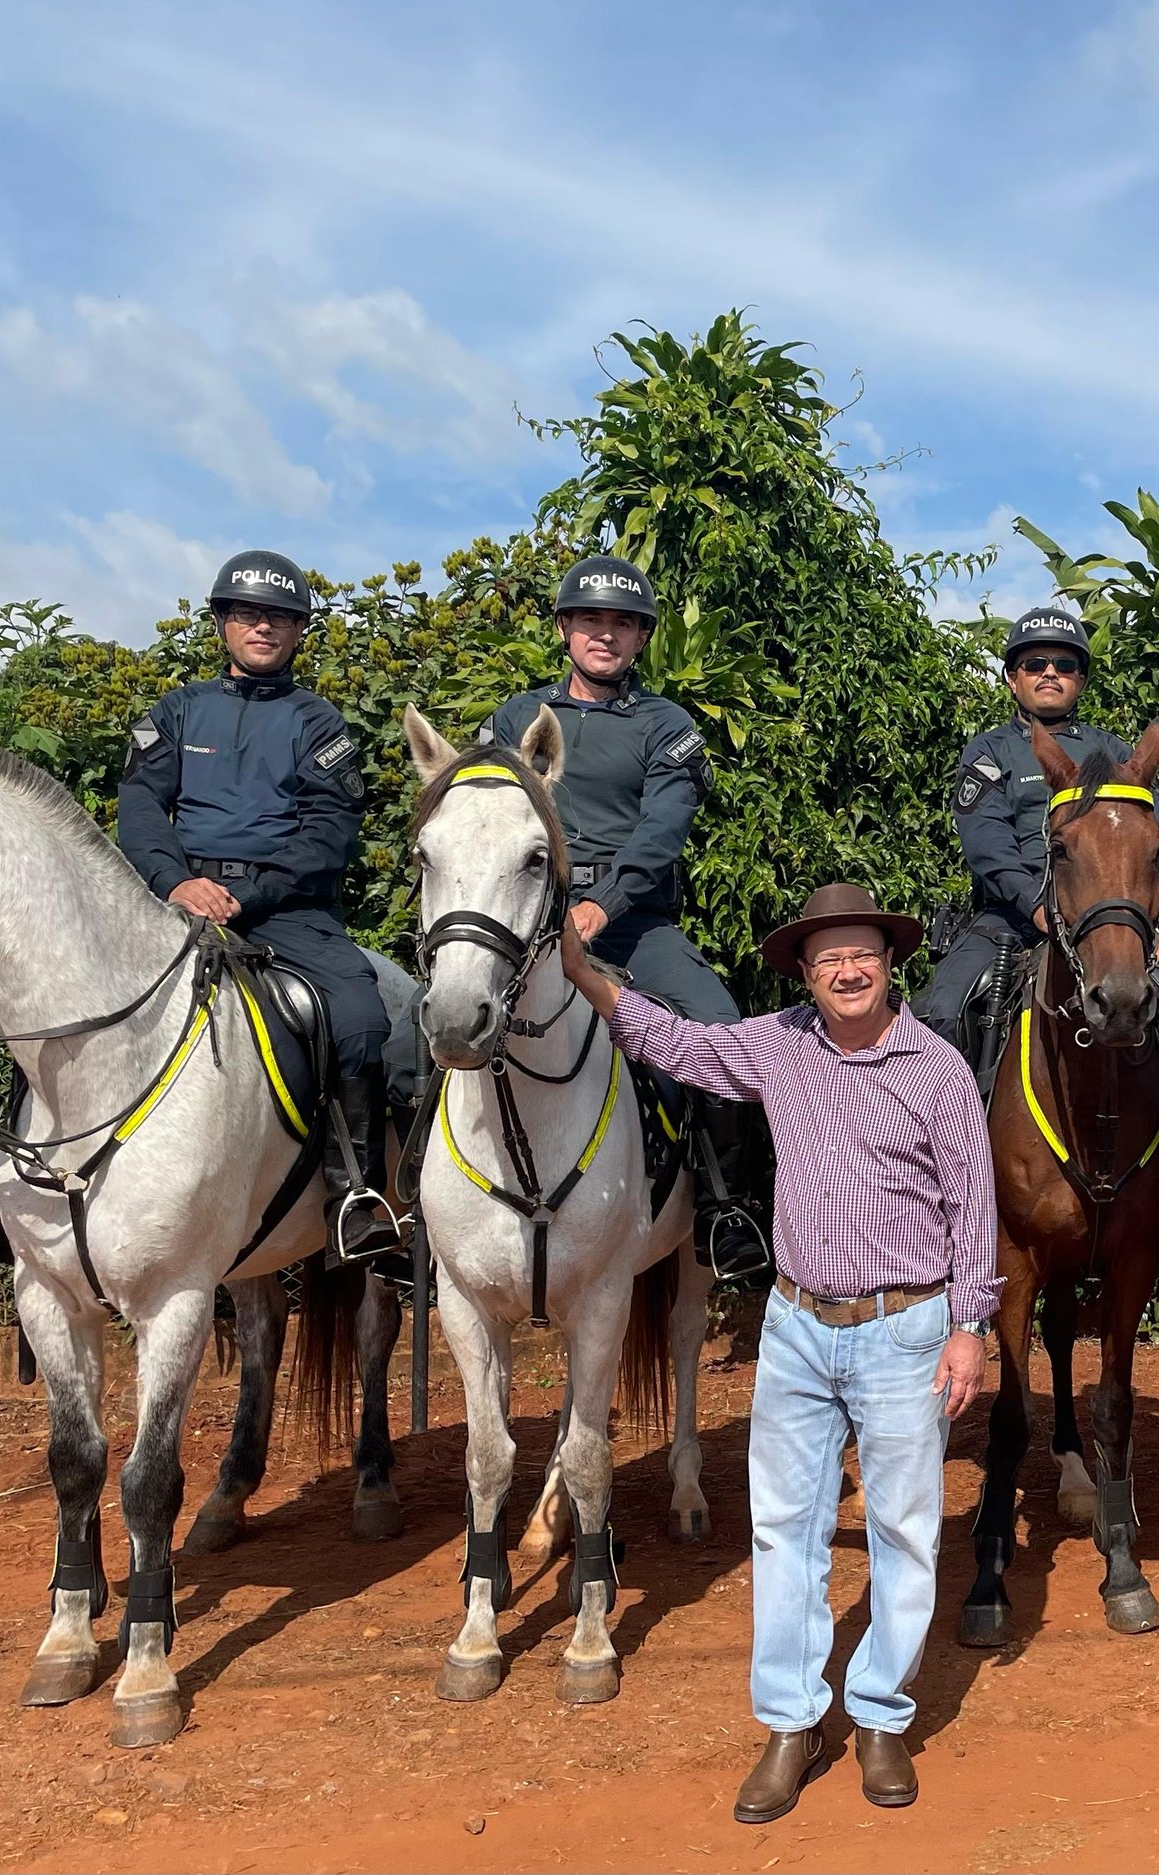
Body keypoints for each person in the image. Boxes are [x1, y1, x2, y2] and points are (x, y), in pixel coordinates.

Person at [559, 882, 999, 1824]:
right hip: (796, 1326)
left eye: (864, 952)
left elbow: (974, 1202)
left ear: (891, 963)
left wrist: (972, 1326)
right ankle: (792, 1721)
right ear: (804, 971)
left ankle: (878, 1713)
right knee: (784, 1529)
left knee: (905, 1530)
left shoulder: (938, 1068)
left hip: (906, 1327)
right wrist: (580, 974)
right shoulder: (778, 1044)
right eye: (828, 956)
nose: (848, 969)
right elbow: (676, 1042)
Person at [483, 552, 767, 1279]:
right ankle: (419, 1195)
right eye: (590, 620)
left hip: (634, 922)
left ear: (641, 637)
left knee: (721, 1029)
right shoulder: (516, 718)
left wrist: (599, 907)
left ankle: (725, 1208)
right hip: (523, 914)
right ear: (564, 629)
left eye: (622, 623)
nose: (604, 634)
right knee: (451, 1009)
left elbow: (660, 833)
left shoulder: (665, 724)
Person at [110, 549, 399, 1256]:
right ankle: (6, 1186)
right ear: (222, 623)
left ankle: (355, 1195)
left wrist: (243, 896)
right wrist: (175, 883)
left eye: (279, 616)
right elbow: (141, 805)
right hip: (179, 899)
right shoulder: (177, 711)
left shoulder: (320, 723)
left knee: (361, 1017)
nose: (262, 626)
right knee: (67, 985)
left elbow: (327, 835)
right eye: (246, 612)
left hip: (287, 910)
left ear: (299, 630)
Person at [915, 606, 1159, 1069]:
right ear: (1013, 679)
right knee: (943, 1014)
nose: (1050, 673)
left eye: (1065, 665)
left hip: (1112, 916)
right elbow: (987, 844)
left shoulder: (1117, 754)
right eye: (1035, 664)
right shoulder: (989, 751)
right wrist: (1035, 903)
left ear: (1081, 681)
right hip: (1010, 919)